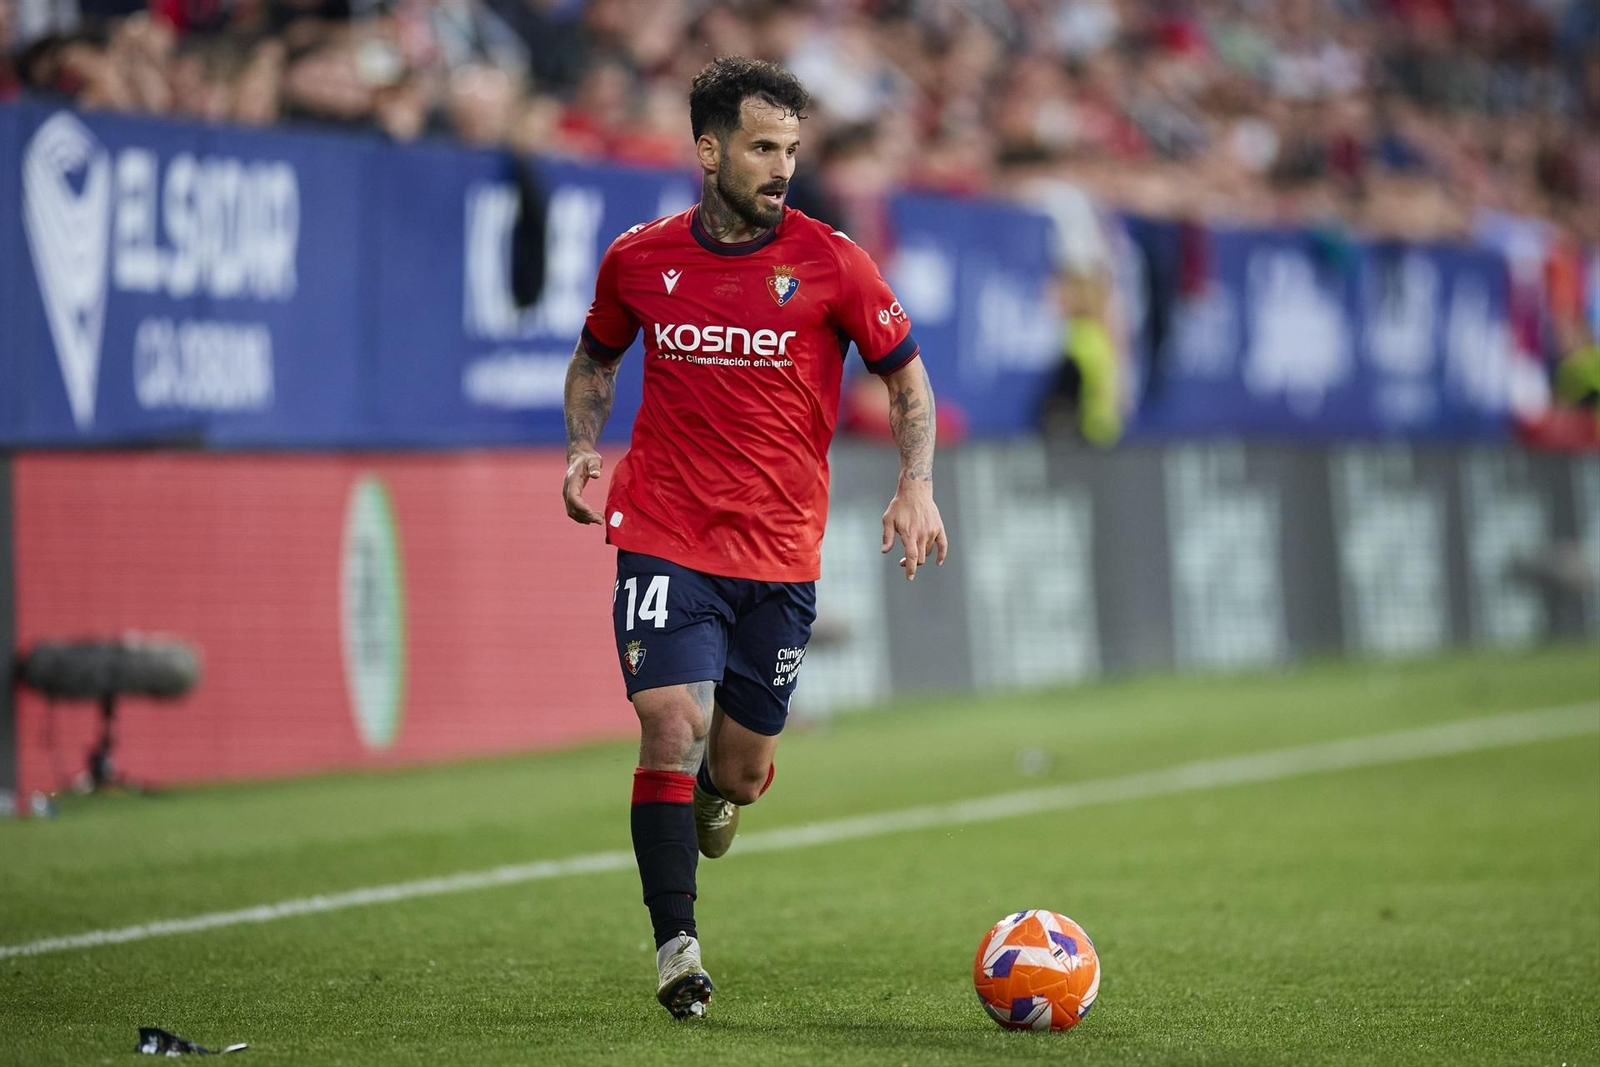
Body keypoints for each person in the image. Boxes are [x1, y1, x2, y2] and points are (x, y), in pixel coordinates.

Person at [560, 55, 947, 1020]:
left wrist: (917, 484)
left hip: (777, 557)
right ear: (709, 148)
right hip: (663, 531)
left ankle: (719, 794)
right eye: (762, 147)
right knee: (667, 721)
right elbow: (594, 358)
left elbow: (906, 378)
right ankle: (676, 947)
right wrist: (580, 448)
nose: (781, 166)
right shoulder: (639, 259)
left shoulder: (832, 261)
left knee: (733, 768)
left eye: (791, 149)